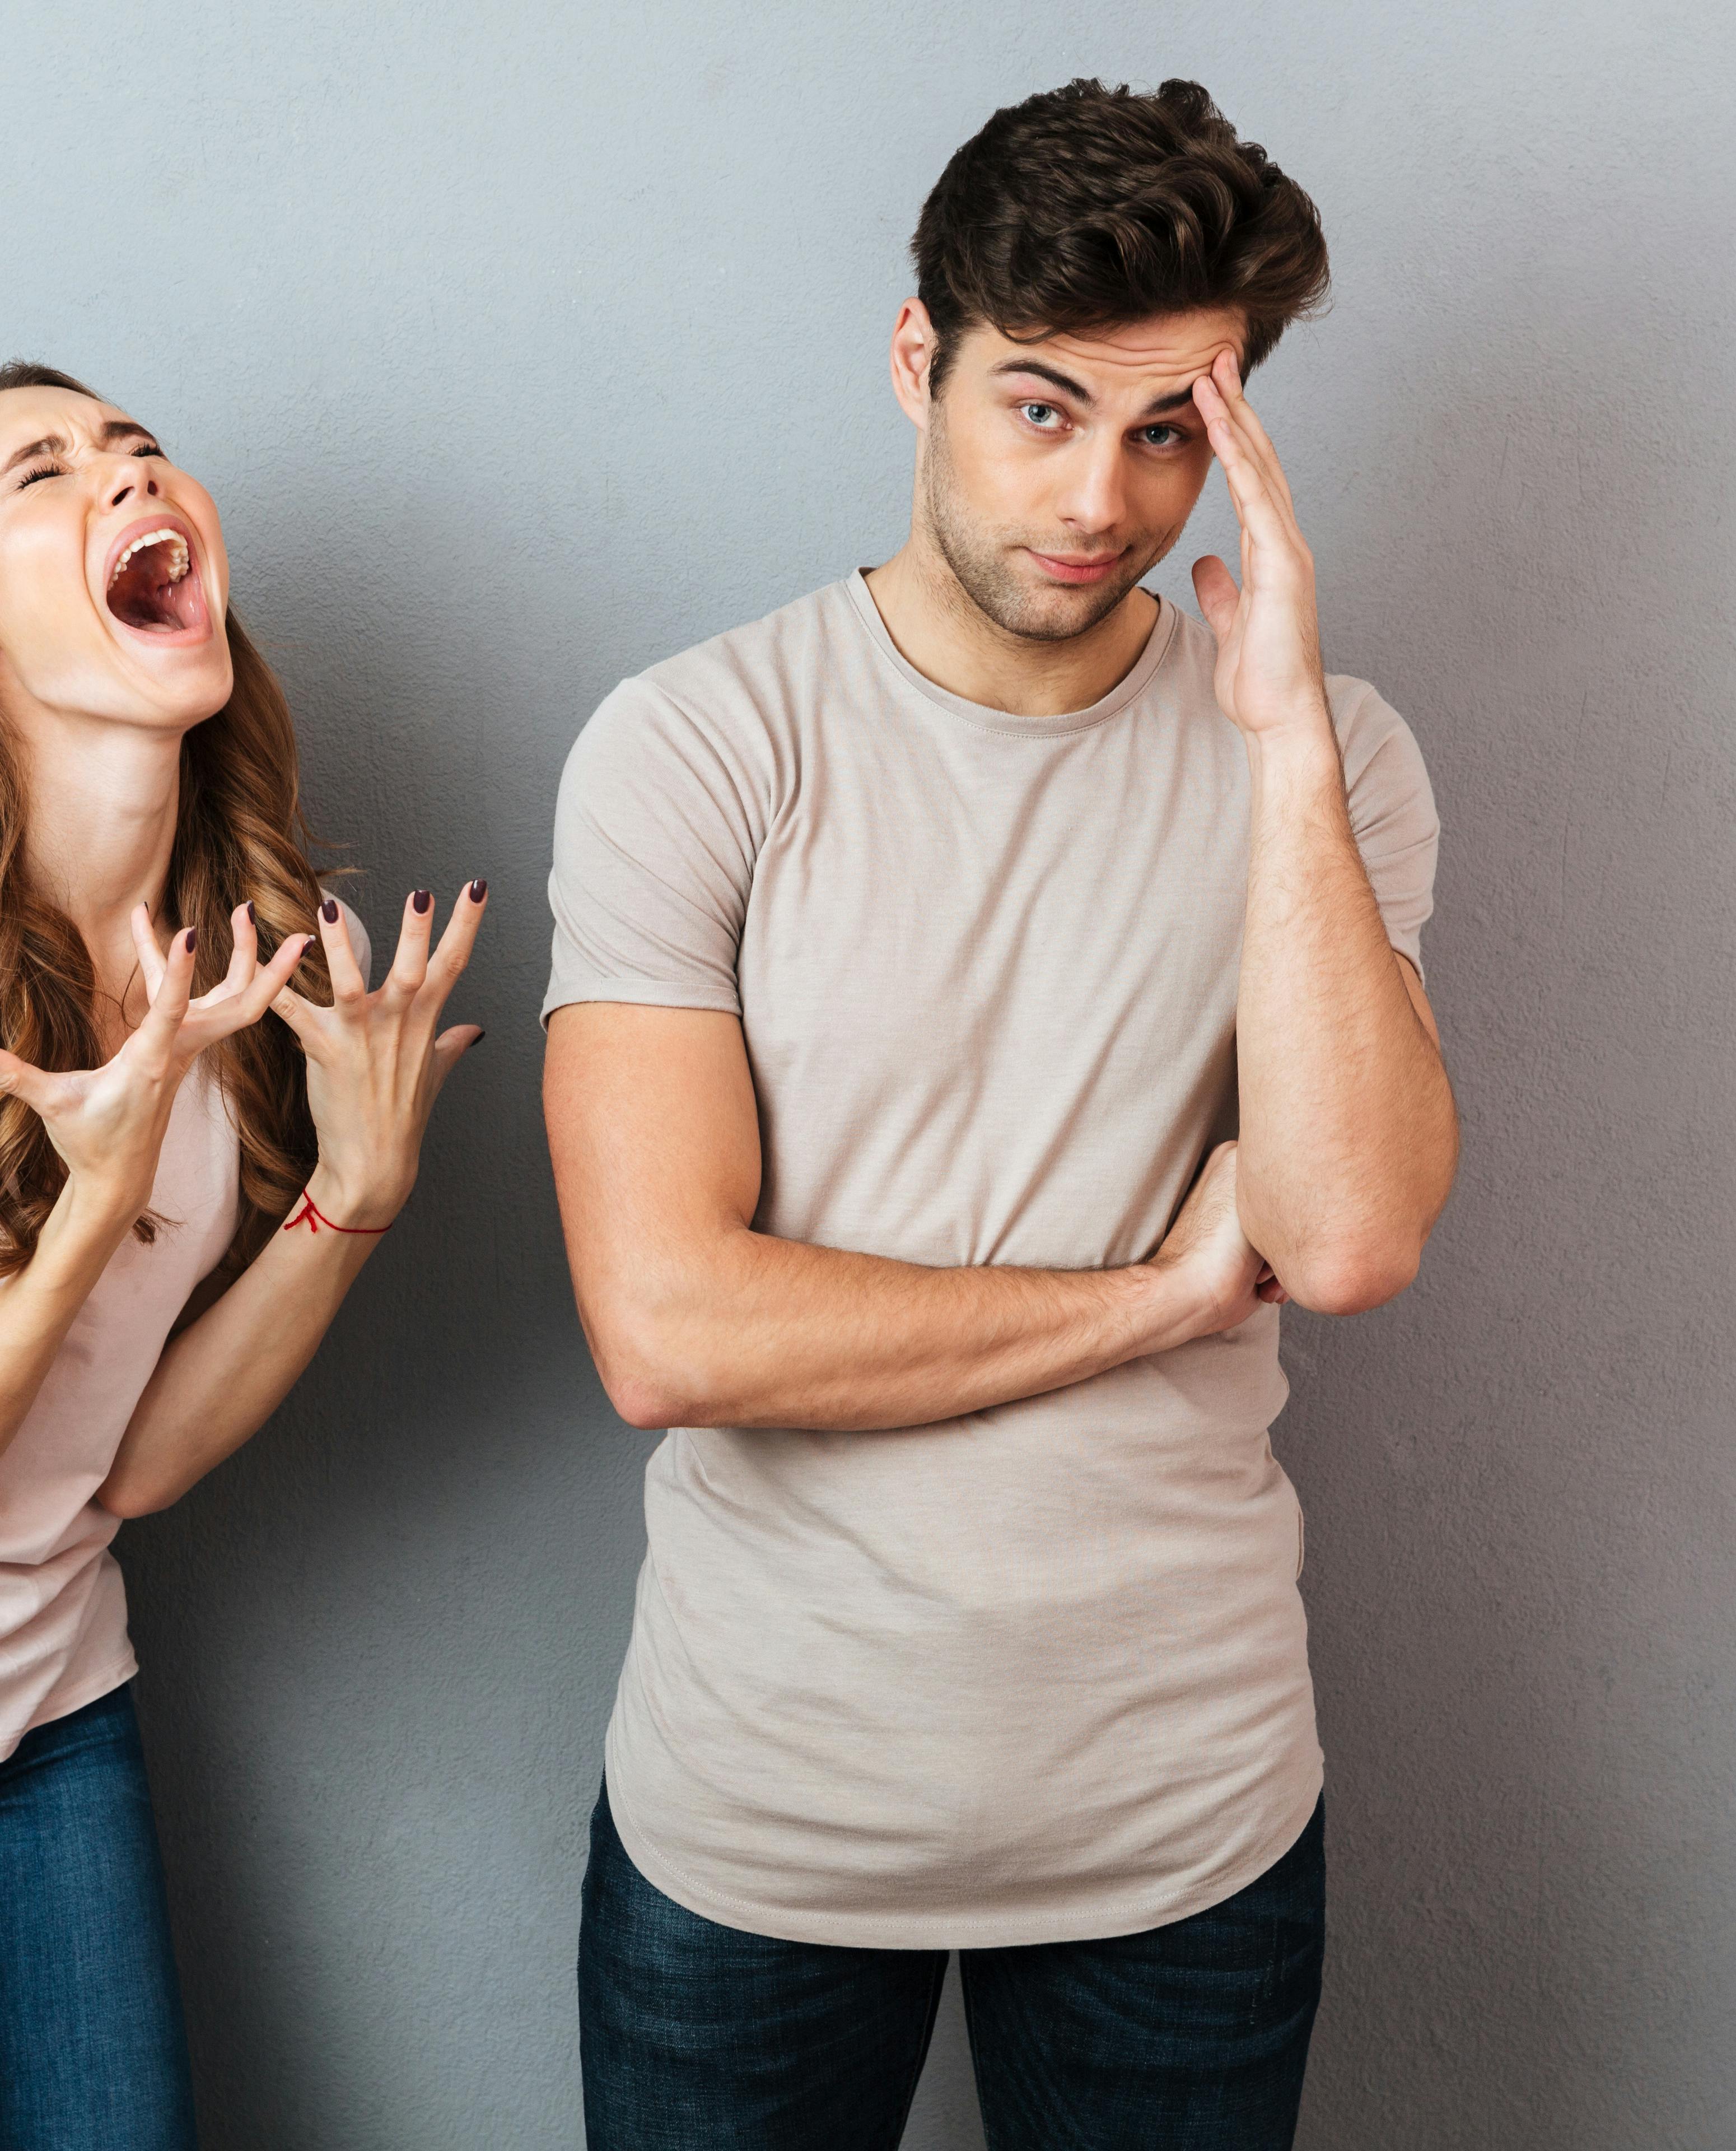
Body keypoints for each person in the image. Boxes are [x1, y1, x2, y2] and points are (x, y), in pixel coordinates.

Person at [544, 78, 1457, 2150]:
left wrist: (1283, 751)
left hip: (1186, 1819)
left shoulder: (1332, 759)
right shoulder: (699, 745)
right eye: (1041, 409)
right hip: (760, 1821)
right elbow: (668, 1331)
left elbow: (1347, 1235)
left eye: (1172, 431)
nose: (1104, 498)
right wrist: (1156, 1301)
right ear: (917, 360)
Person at [0, 361, 486, 2150]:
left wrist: (353, 1193)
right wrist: (85, 1209)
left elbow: (123, 1465)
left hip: (50, 1702)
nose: (128, 475)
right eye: (40, 474)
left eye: (137, 449)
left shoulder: (246, 967)